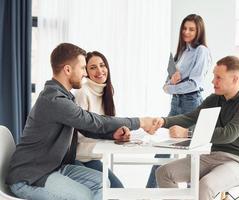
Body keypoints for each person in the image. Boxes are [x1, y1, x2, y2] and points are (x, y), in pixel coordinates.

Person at [5, 43, 155, 200]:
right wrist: (141, 122)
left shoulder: (63, 96)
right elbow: (95, 121)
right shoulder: (54, 100)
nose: (85, 73)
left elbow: (85, 127)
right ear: (68, 70)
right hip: (31, 177)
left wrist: (113, 136)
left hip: (54, 168)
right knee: (84, 196)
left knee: (104, 184)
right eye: (83, 68)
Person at [154, 56, 239, 200]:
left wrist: (188, 132)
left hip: (238, 162)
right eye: (214, 76)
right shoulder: (215, 98)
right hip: (212, 156)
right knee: (163, 172)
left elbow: (229, 134)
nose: (213, 81)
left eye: (218, 77)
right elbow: (191, 117)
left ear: (234, 79)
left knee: (205, 185)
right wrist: (162, 121)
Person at [146, 13, 212, 188]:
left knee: (192, 153)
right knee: (162, 149)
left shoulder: (201, 51)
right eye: (184, 28)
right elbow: (168, 81)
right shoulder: (181, 52)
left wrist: (170, 87)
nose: (186, 32)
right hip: (175, 103)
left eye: (191, 29)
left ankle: (193, 194)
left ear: (199, 31)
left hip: (192, 103)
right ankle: (149, 192)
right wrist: (170, 85)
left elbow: (194, 83)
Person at [74, 51, 123, 188]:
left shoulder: (107, 92)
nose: (99, 70)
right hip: (79, 159)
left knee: (118, 190)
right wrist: (108, 135)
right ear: (87, 72)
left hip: (93, 158)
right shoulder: (83, 93)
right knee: (115, 190)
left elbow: (108, 125)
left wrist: (118, 133)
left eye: (102, 65)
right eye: (93, 67)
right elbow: (79, 133)